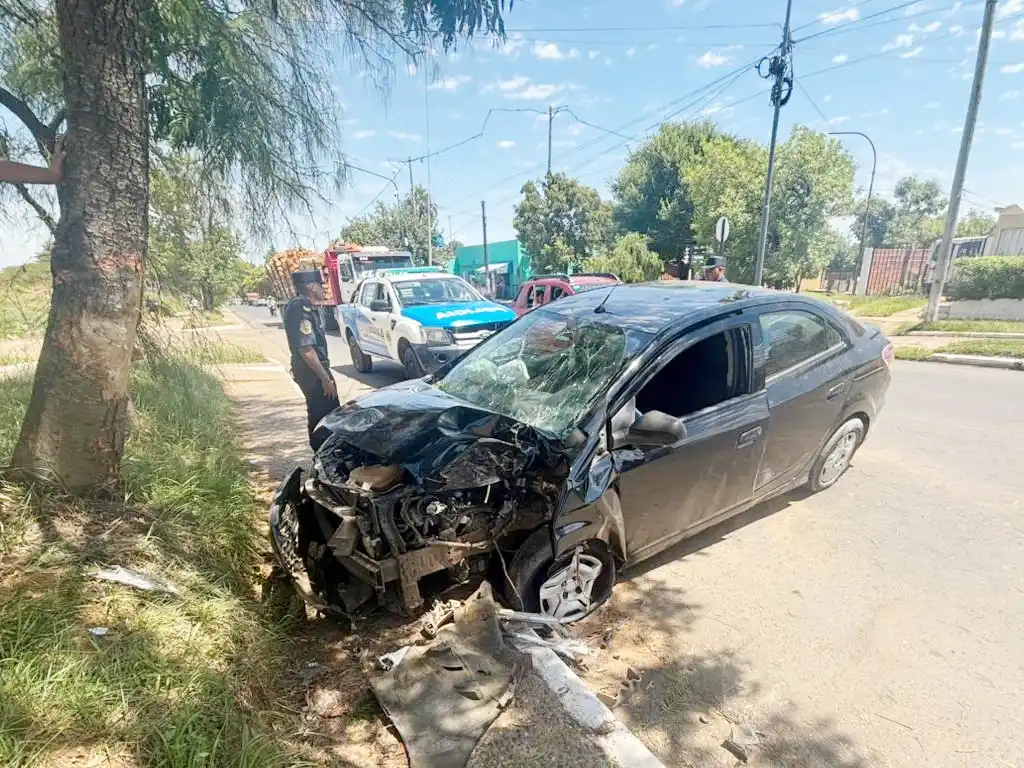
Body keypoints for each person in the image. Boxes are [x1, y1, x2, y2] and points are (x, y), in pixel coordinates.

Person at [284, 270, 339, 451]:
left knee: (329, 412)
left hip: (314, 371)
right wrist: (325, 378)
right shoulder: (301, 308)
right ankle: (322, 456)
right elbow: (306, 349)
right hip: (313, 373)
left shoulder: (304, 305)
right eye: (320, 285)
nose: (323, 289)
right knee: (323, 415)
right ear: (310, 286)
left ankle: (327, 452)